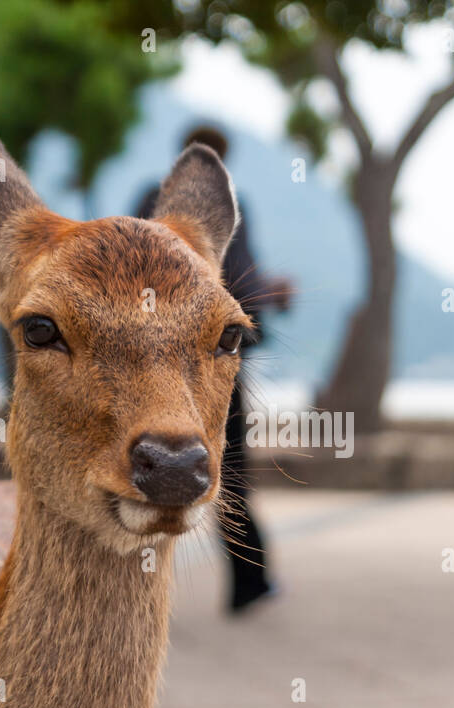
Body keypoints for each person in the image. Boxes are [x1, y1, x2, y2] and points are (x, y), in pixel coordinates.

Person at [136, 125, 293, 612]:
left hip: (179, 367)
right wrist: (263, 301)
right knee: (226, 476)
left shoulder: (150, 205)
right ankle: (250, 582)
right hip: (202, 367)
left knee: (201, 476)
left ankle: (246, 582)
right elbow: (239, 288)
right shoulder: (215, 212)